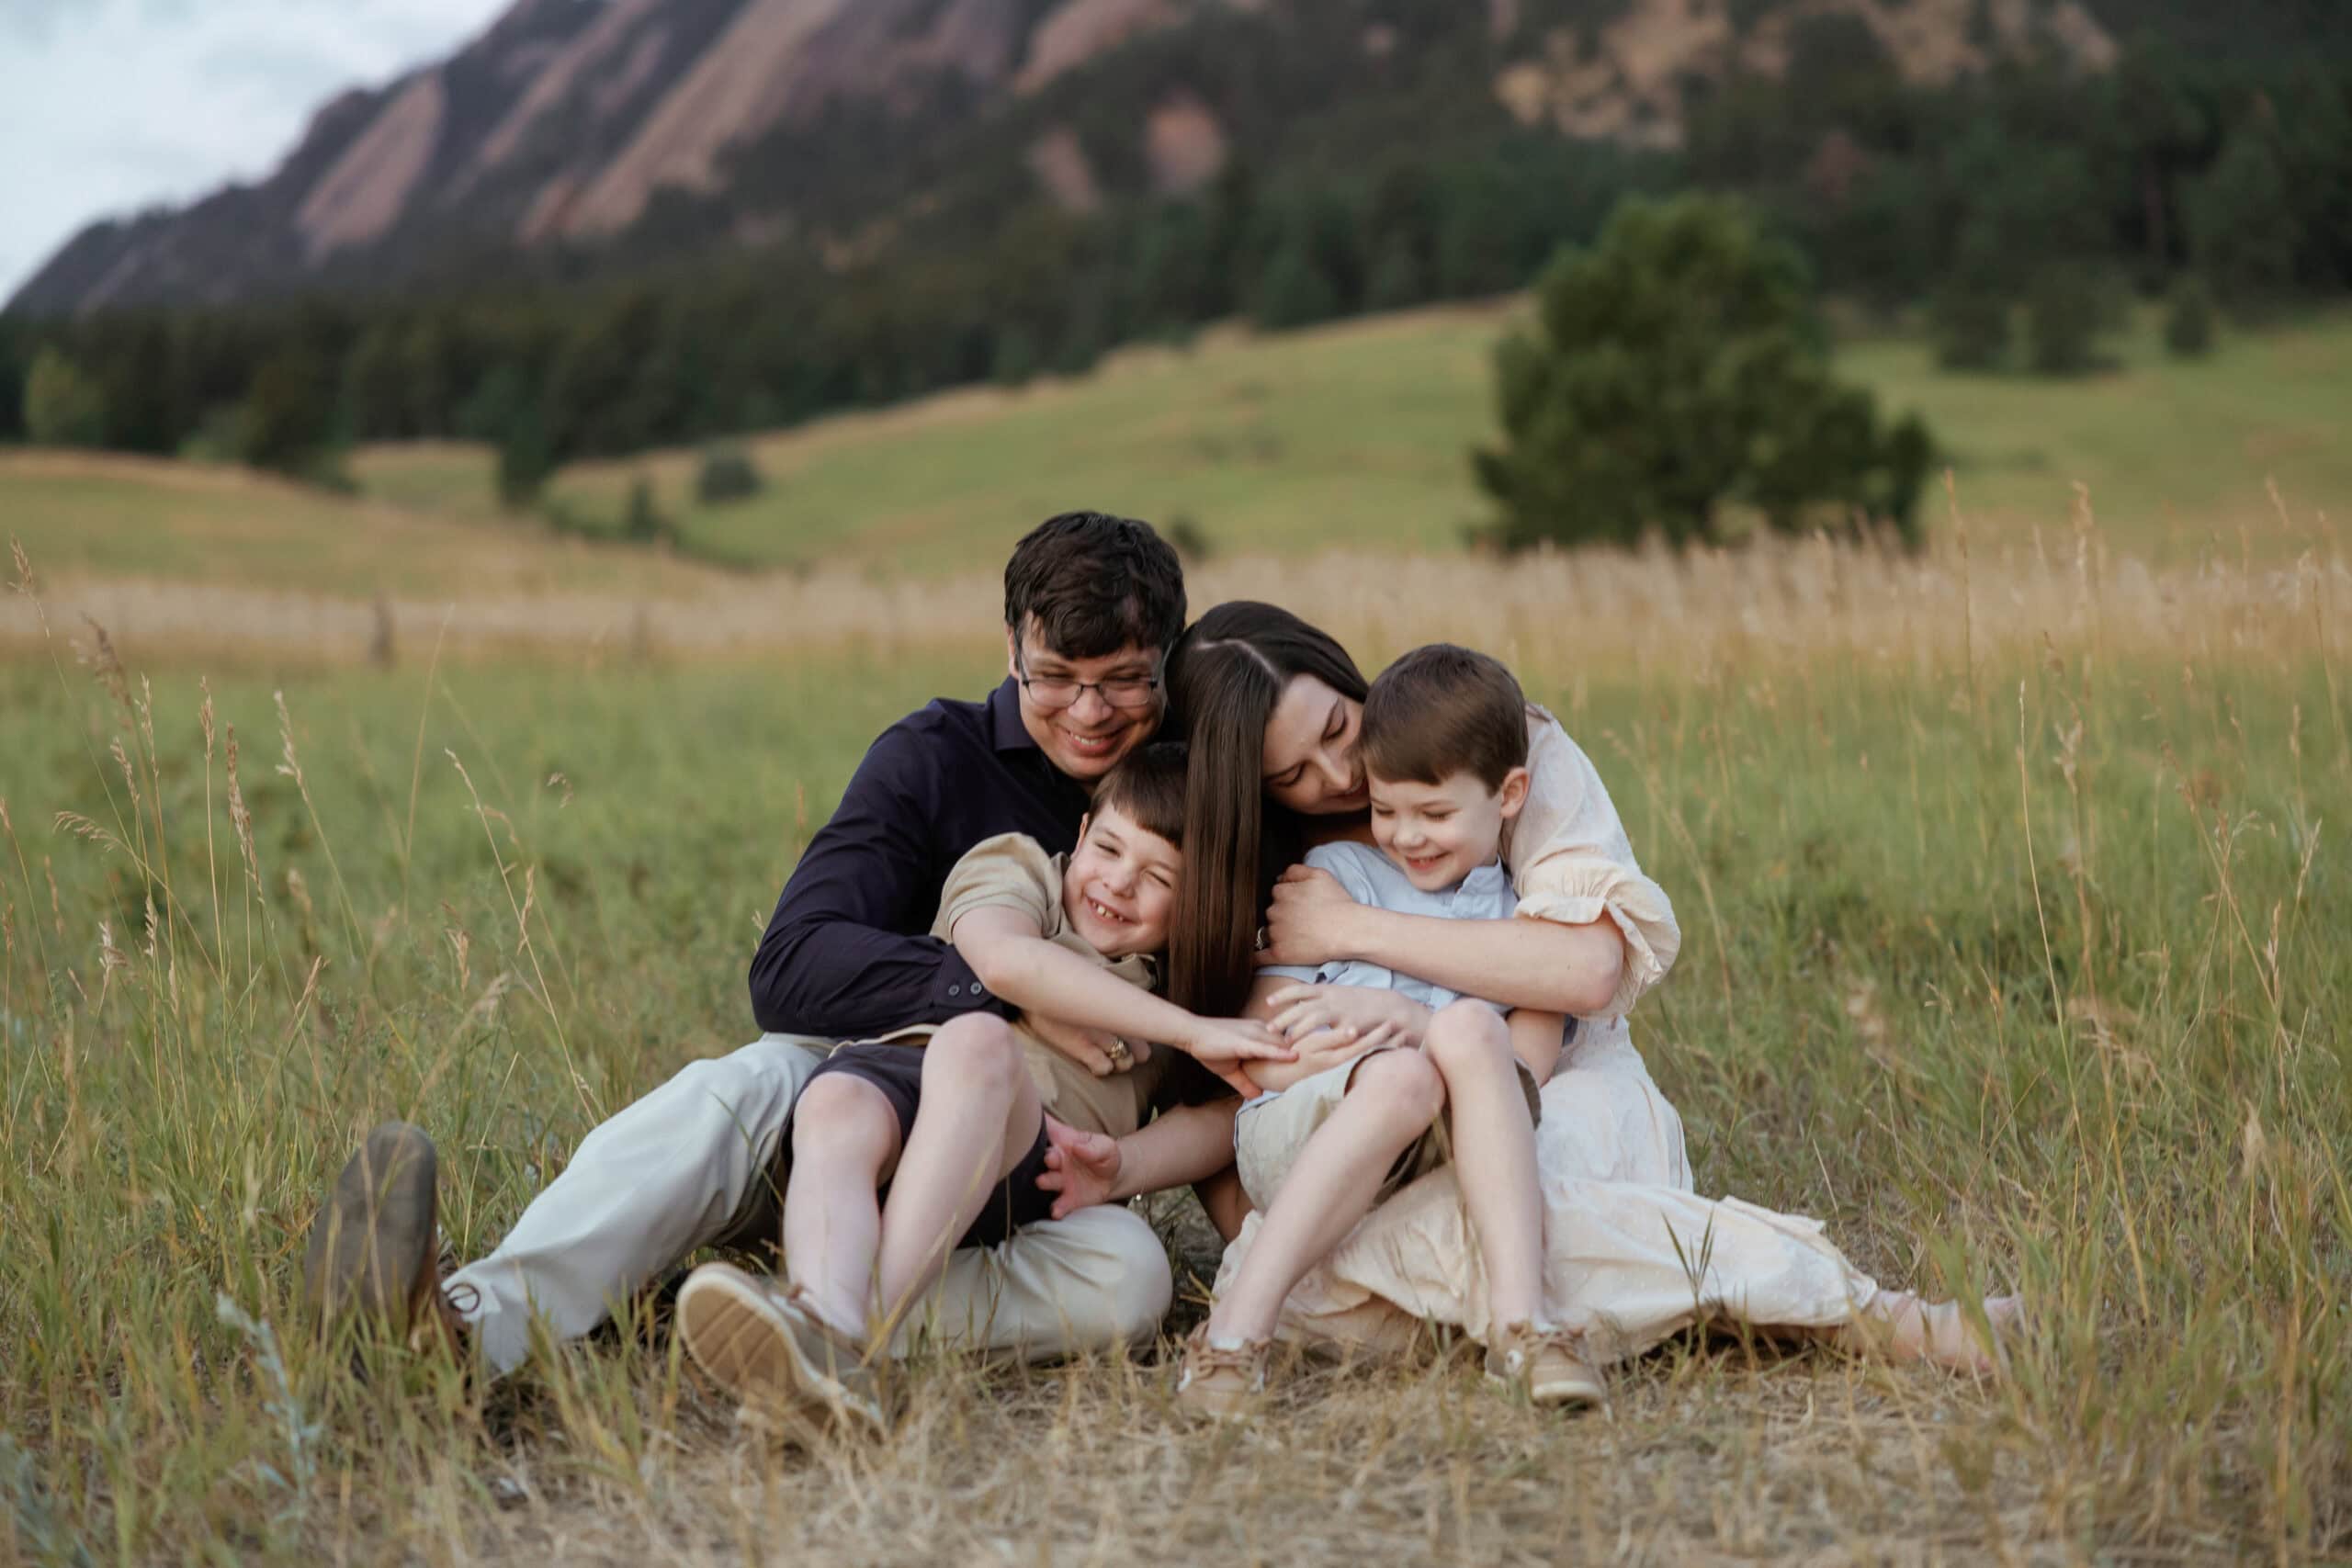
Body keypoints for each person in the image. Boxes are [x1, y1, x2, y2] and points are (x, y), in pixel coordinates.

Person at [302, 512, 1216, 1377]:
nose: (1089, 711)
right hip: (866, 1098)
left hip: (1035, 1182)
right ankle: (470, 1327)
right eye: (1055, 675)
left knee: (1128, 1272)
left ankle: (792, 1320)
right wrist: (1020, 996)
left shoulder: (1202, 799)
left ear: (1167, 667)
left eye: (1125, 679)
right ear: (1011, 649)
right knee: (735, 1089)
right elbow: (792, 965)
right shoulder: (933, 759)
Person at [1155, 602, 2018, 1387]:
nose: (1340, 773)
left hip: (1548, 1088)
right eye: (1291, 776)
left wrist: (1355, 935)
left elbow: (1581, 975)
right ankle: (1860, 1315)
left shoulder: (1483, 743)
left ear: (1347, 677)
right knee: (1518, 1214)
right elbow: (1263, 1059)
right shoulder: (1287, 865)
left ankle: (1476, 1305)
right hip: (1377, 1131)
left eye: (1339, 727)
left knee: (1519, 1193)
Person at [671, 743, 1276, 1429]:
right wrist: (1190, 1029)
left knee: (982, 1045)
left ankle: (851, 1340)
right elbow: (1005, 961)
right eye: (1107, 848)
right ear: (1079, 835)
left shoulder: (1170, 984)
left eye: (1157, 876)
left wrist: (1127, 1164)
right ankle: (825, 1320)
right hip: (902, 1081)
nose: (1117, 882)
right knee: (839, 1100)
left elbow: (1220, 1115)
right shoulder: (1020, 868)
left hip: (1014, 1160)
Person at [1172, 644, 1591, 1416]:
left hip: (1432, 1137)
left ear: (1509, 796)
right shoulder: (1337, 874)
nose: (1406, 835)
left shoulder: (1521, 923)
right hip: (1303, 1120)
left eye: (1434, 814)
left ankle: (1524, 1325)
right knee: (1403, 1073)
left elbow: (1524, 1074)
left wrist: (1410, 1019)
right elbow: (1267, 1038)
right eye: (1386, 811)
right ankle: (1233, 1338)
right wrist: (1343, 1054)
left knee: (1465, 1032)